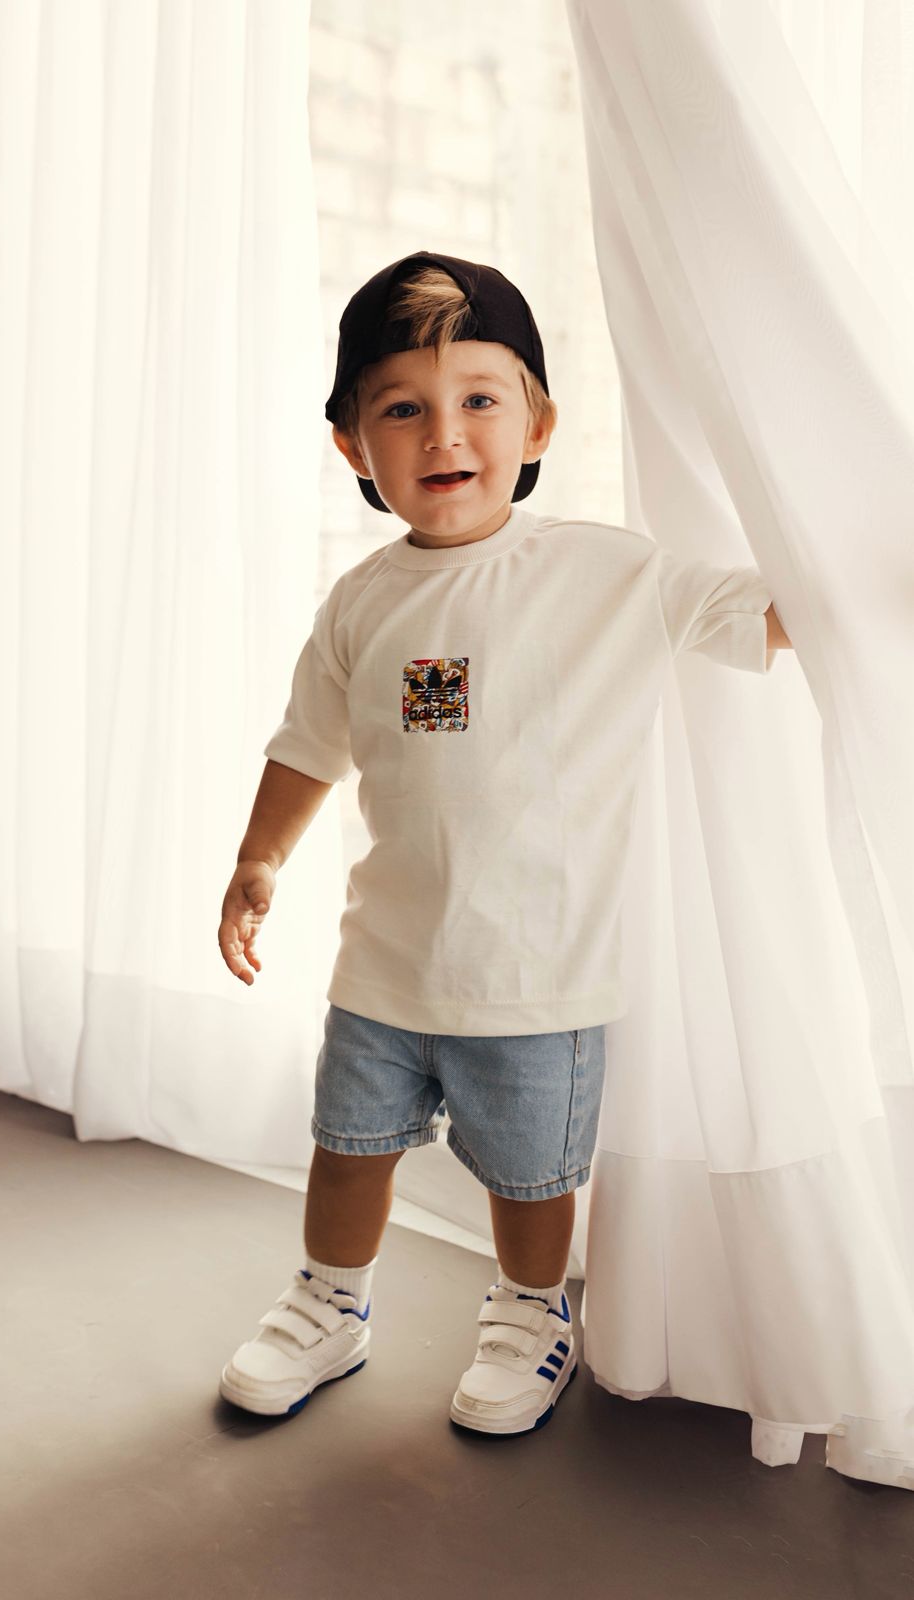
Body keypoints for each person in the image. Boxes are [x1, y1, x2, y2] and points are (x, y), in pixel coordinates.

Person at [216, 250, 793, 1435]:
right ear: (352, 446)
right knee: (346, 1149)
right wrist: (259, 857)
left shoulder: (604, 570)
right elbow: (308, 744)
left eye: (478, 397)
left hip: (536, 980)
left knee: (532, 1179)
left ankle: (531, 1314)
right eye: (402, 409)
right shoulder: (360, 602)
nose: (444, 432)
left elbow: (763, 613)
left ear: (536, 422)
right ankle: (330, 1300)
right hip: (383, 966)